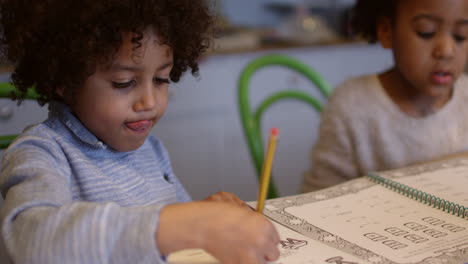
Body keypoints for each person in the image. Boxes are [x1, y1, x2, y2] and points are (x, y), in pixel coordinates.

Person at [0, 0, 280, 263]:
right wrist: (194, 223)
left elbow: (174, 230)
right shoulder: (41, 152)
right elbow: (30, 241)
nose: (150, 102)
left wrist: (209, 214)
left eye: (161, 79)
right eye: (123, 83)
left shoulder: (151, 150)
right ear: (65, 79)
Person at [302, 0, 468, 192]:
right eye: (426, 32)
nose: (446, 51)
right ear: (387, 31)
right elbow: (319, 199)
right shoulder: (351, 105)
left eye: (460, 36)